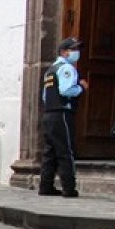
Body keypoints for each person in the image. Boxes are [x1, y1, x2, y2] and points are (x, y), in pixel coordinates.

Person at [38, 37, 87, 197]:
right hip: (62, 114)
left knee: (50, 152)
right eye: (73, 49)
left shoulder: (50, 70)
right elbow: (66, 90)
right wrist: (81, 87)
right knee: (66, 151)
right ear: (64, 52)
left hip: (49, 114)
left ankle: (45, 186)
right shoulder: (66, 68)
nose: (76, 52)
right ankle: (69, 188)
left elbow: (45, 96)